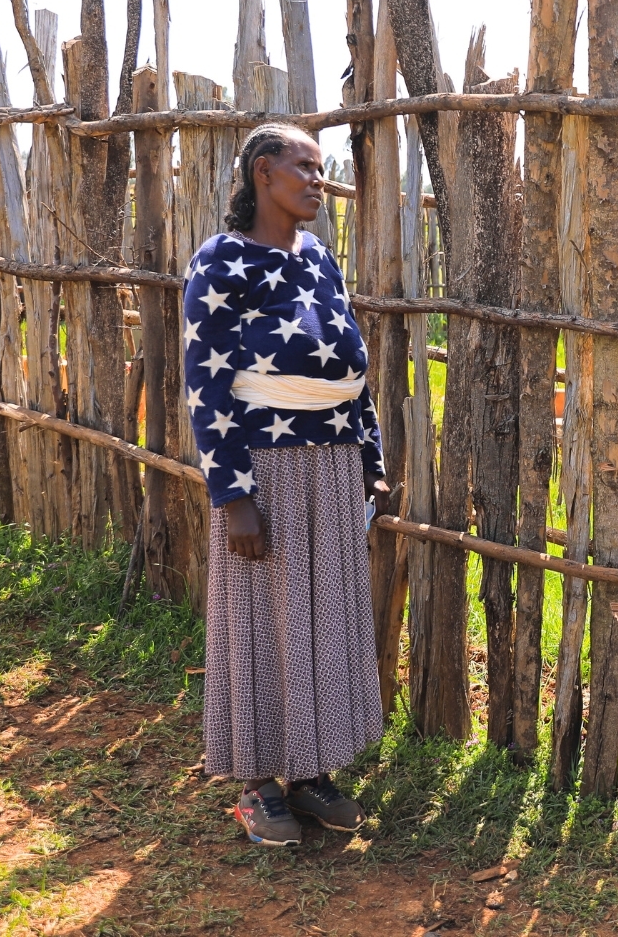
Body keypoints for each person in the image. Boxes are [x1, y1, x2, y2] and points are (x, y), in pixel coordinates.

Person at [183, 123, 391, 846]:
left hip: (331, 464)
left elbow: (350, 365)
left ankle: (309, 773)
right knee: (262, 619)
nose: (317, 180)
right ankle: (255, 784)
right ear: (263, 173)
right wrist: (233, 495)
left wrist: (371, 459)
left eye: (320, 168)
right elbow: (206, 384)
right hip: (264, 469)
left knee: (322, 616)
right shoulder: (222, 260)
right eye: (303, 166)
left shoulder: (320, 259)